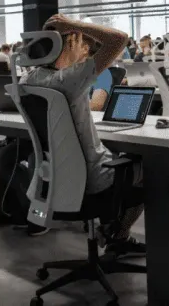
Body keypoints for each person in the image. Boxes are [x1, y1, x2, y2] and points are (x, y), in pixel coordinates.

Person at [19, 14, 145, 254]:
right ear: (68, 44)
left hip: (57, 177)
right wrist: (73, 25)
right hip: (94, 177)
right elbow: (119, 39)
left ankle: (110, 229)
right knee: (150, 167)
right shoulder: (70, 79)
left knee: (118, 158)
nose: (84, 48)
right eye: (79, 42)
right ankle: (119, 235)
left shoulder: (29, 78)